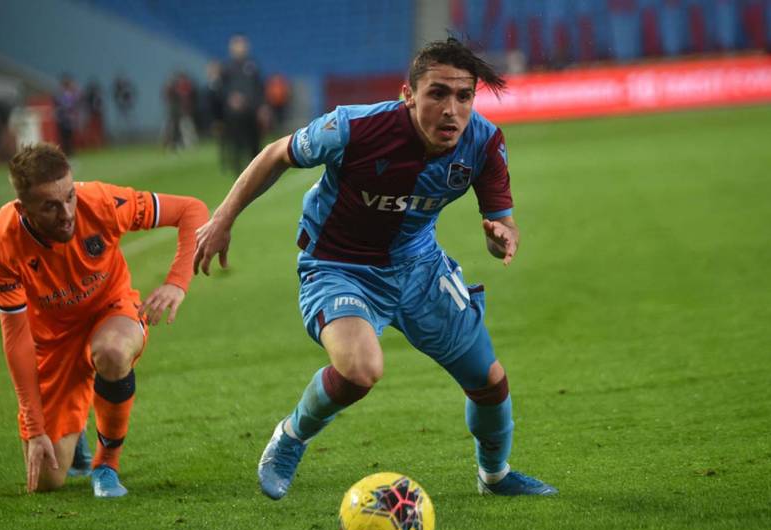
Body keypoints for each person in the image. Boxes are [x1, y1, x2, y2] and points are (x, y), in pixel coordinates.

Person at [194, 38, 557, 500]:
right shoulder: (355, 128)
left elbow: (504, 224)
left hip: (418, 266)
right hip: (338, 265)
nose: (452, 110)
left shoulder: (483, 143)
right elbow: (275, 154)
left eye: (464, 96)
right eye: (437, 94)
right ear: (409, 94)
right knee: (361, 369)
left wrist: (500, 235)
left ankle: (495, 476)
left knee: (489, 381)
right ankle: (290, 436)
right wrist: (223, 218)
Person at [0, 143, 208, 497]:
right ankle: (78, 425)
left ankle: (107, 466)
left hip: (111, 310)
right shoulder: (1, 243)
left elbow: (192, 211)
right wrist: (33, 424)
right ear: (22, 208)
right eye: (51, 206)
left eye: (69, 197)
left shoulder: (102, 203)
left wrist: (177, 283)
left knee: (113, 353)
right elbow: (17, 340)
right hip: (53, 342)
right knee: (46, 482)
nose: (67, 213)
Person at [219, 35, 265, 174]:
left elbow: (259, 87)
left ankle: (257, 169)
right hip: (234, 113)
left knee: (254, 142)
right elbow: (222, 88)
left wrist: (261, 106)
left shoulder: (252, 65)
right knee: (236, 142)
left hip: (251, 110)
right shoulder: (227, 67)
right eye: (237, 45)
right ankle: (237, 169)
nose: (240, 48)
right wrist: (231, 98)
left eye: (242, 45)